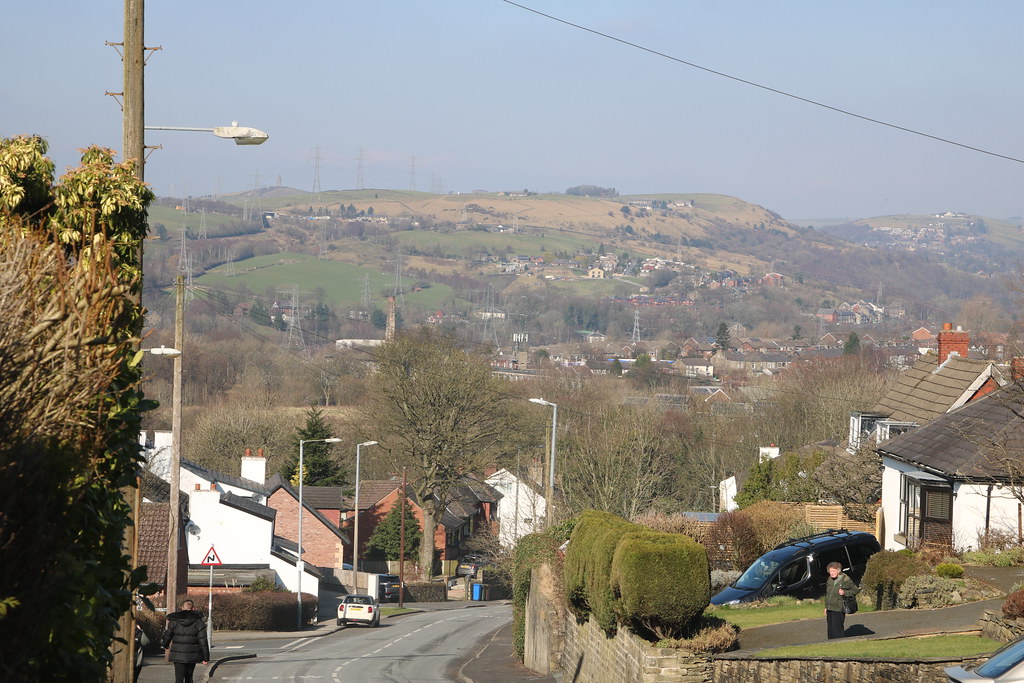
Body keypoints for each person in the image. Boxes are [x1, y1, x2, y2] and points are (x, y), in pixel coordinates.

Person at [161, 600, 209, 683]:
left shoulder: (174, 621)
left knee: (178, 678)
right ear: (193, 608)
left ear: (182, 608)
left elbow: (167, 635)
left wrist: (165, 645)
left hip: (177, 654)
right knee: (189, 677)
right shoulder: (199, 623)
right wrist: (205, 657)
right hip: (192, 654)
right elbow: (203, 641)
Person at [824, 561, 859, 639]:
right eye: (830, 571)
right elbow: (828, 594)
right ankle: (831, 645)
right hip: (830, 607)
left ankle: (840, 643)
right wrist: (826, 607)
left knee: (837, 628)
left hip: (839, 607)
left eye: (833, 571)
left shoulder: (845, 579)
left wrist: (844, 593)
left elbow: (855, 590)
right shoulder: (829, 579)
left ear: (838, 571)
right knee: (830, 629)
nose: (831, 573)